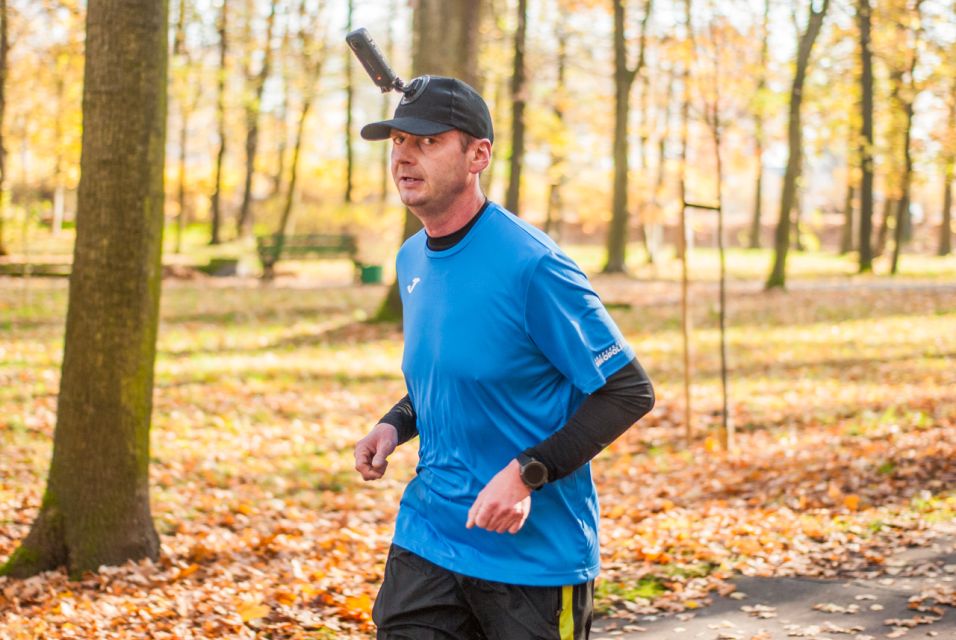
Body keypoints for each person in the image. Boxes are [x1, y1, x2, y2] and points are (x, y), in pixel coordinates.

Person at [354, 75, 655, 640]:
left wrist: (525, 474)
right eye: (398, 141)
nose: (405, 157)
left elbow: (628, 390)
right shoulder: (411, 259)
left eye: (427, 141)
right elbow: (453, 374)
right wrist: (395, 424)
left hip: (532, 559)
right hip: (430, 536)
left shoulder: (534, 265)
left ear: (478, 155)